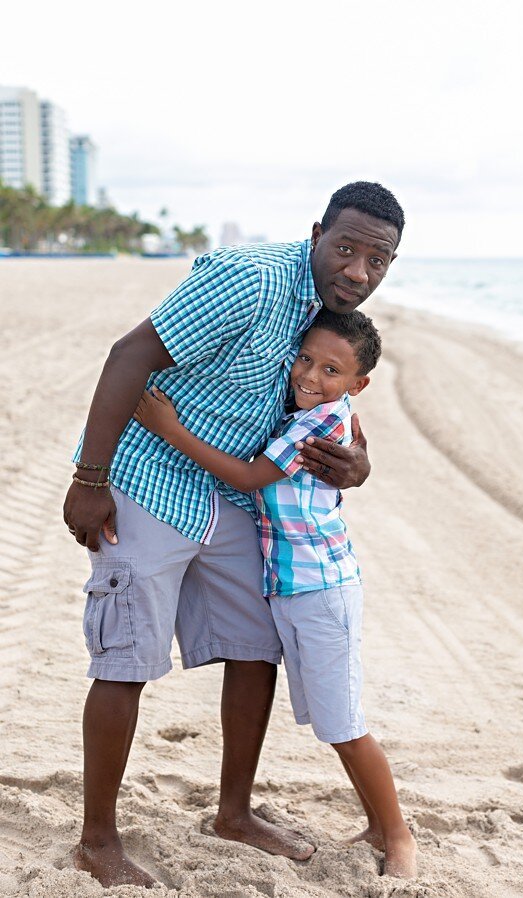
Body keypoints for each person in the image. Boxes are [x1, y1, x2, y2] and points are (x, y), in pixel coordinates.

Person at [62, 181, 404, 888]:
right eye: (346, 250)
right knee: (126, 657)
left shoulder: (327, 309)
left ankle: (234, 812)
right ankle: (97, 841)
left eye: (379, 261)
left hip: (234, 497)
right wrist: (90, 479)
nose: (358, 273)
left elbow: (329, 403)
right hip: (149, 481)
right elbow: (129, 356)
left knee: (257, 647)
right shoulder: (246, 281)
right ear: (317, 234)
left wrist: (360, 466)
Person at [133, 309, 417, 877]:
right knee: (334, 721)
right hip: (292, 588)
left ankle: (400, 836)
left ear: (358, 385)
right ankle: (378, 824)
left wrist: (170, 429)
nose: (310, 375)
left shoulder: (315, 425)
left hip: (320, 591)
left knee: (345, 724)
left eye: (331, 369)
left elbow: (247, 477)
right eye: (306, 359)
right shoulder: (317, 411)